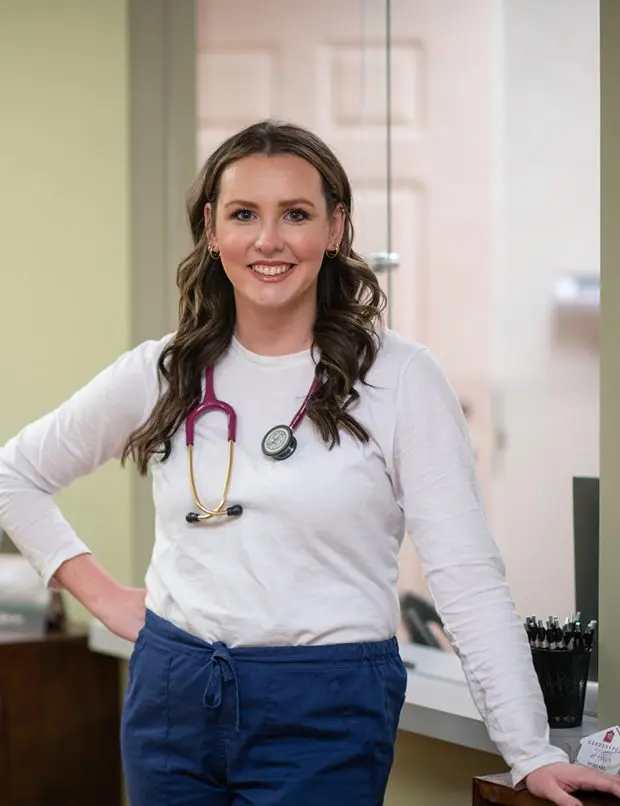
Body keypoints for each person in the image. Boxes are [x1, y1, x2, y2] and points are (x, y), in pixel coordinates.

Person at [0, 120, 616, 806]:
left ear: (335, 227)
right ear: (212, 229)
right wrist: (103, 597)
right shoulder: (164, 370)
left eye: (295, 214)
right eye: (244, 214)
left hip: (326, 709)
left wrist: (530, 750)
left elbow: (467, 577)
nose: (269, 240)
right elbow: (13, 476)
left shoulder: (401, 378)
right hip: (173, 697)